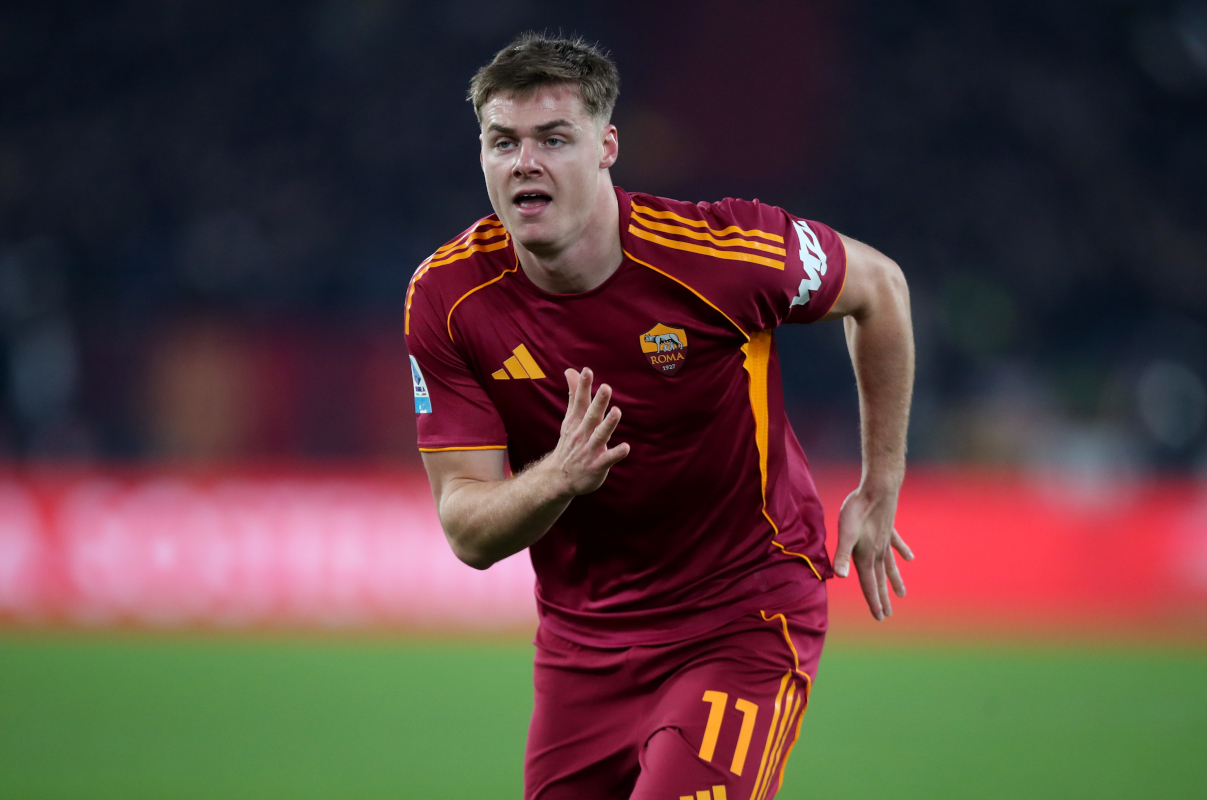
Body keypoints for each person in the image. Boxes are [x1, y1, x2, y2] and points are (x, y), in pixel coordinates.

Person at [405, 32, 914, 800]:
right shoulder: (448, 299)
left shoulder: (724, 251)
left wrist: (880, 484)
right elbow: (467, 530)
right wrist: (559, 480)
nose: (524, 163)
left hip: (740, 616)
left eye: (553, 139)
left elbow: (880, 289)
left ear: (607, 146)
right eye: (502, 141)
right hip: (583, 646)